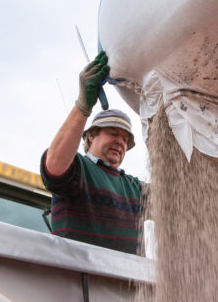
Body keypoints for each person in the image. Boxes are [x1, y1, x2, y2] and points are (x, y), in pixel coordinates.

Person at [41, 52, 143, 254]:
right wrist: (83, 105)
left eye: (125, 139)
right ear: (90, 137)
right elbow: (53, 166)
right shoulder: (79, 169)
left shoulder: (134, 188)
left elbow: (175, 199)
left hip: (125, 282)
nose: (120, 142)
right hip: (76, 280)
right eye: (113, 133)